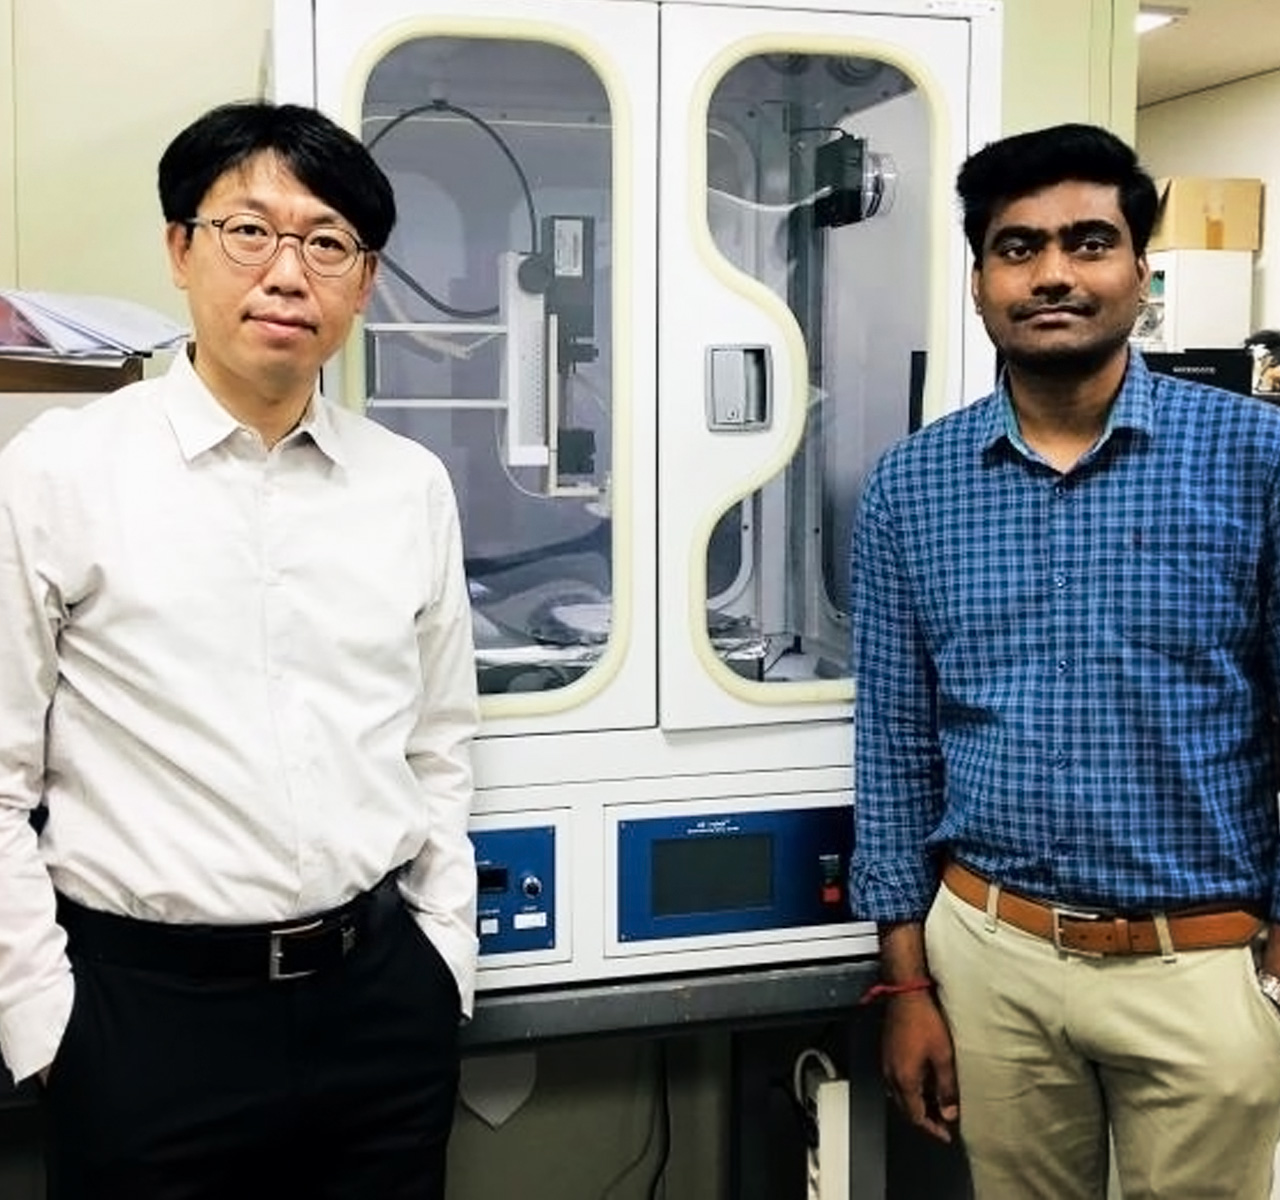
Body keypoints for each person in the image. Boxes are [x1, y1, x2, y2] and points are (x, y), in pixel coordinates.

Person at [0, 100, 480, 1199]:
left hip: (378, 1007)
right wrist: (45, 1021)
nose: (288, 273)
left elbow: (440, 743)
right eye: (250, 232)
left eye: (328, 243)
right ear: (181, 249)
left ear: (364, 281)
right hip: (147, 1022)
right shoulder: (57, 472)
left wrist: (442, 951)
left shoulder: (408, 485)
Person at [849, 122, 1280, 1199]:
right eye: (1017, 247)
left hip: (1203, 963)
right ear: (978, 282)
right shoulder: (911, 487)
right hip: (991, 959)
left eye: (1089, 242)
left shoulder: (1255, 458)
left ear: (1139, 270)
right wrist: (904, 986)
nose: (1052, 274)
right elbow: (893, 746)